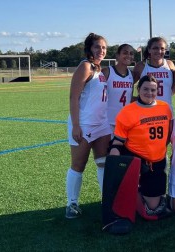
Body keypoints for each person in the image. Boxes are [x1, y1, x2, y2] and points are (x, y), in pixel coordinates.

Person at [109, 75, 172, 217]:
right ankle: (135, 189)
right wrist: (115, 159)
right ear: (138, 89)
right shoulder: (127, 111)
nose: (149, 93)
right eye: (145, 89)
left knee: (153, 207)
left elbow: (169, 132)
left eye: (153, 90)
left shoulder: (165, 108)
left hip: (159, 160)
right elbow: (118, 141)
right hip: (137, 159)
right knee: (151, 210)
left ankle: (144, 193)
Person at [65, 33, 111, 219]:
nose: (101, 51)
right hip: (84, 124)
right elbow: (73, 97)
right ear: (89, 49)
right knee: (78, 165)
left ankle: (105, 199)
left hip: (102, 124)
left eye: (104, 48)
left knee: (103, 163)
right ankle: (72, 203)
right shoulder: (85, 66)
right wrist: (76, 125)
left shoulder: (100, 69)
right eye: (97, 47)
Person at [133, 37, 175, 111]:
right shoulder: (141, 66)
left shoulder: (169, 64)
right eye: (155, 48)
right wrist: (139, 98)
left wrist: (168, 94)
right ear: (149, 49)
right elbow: (128, 84)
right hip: (146, 111)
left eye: (162, 48)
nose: (159, 51)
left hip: (165, 111)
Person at [102, 44, 134, 131]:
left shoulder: (132, 75)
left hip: (124, 122)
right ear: (117, 55)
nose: (128, 56)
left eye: (131, 53)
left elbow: (129, 98)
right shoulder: (107, 72)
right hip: (107, 122)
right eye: (125, 53)